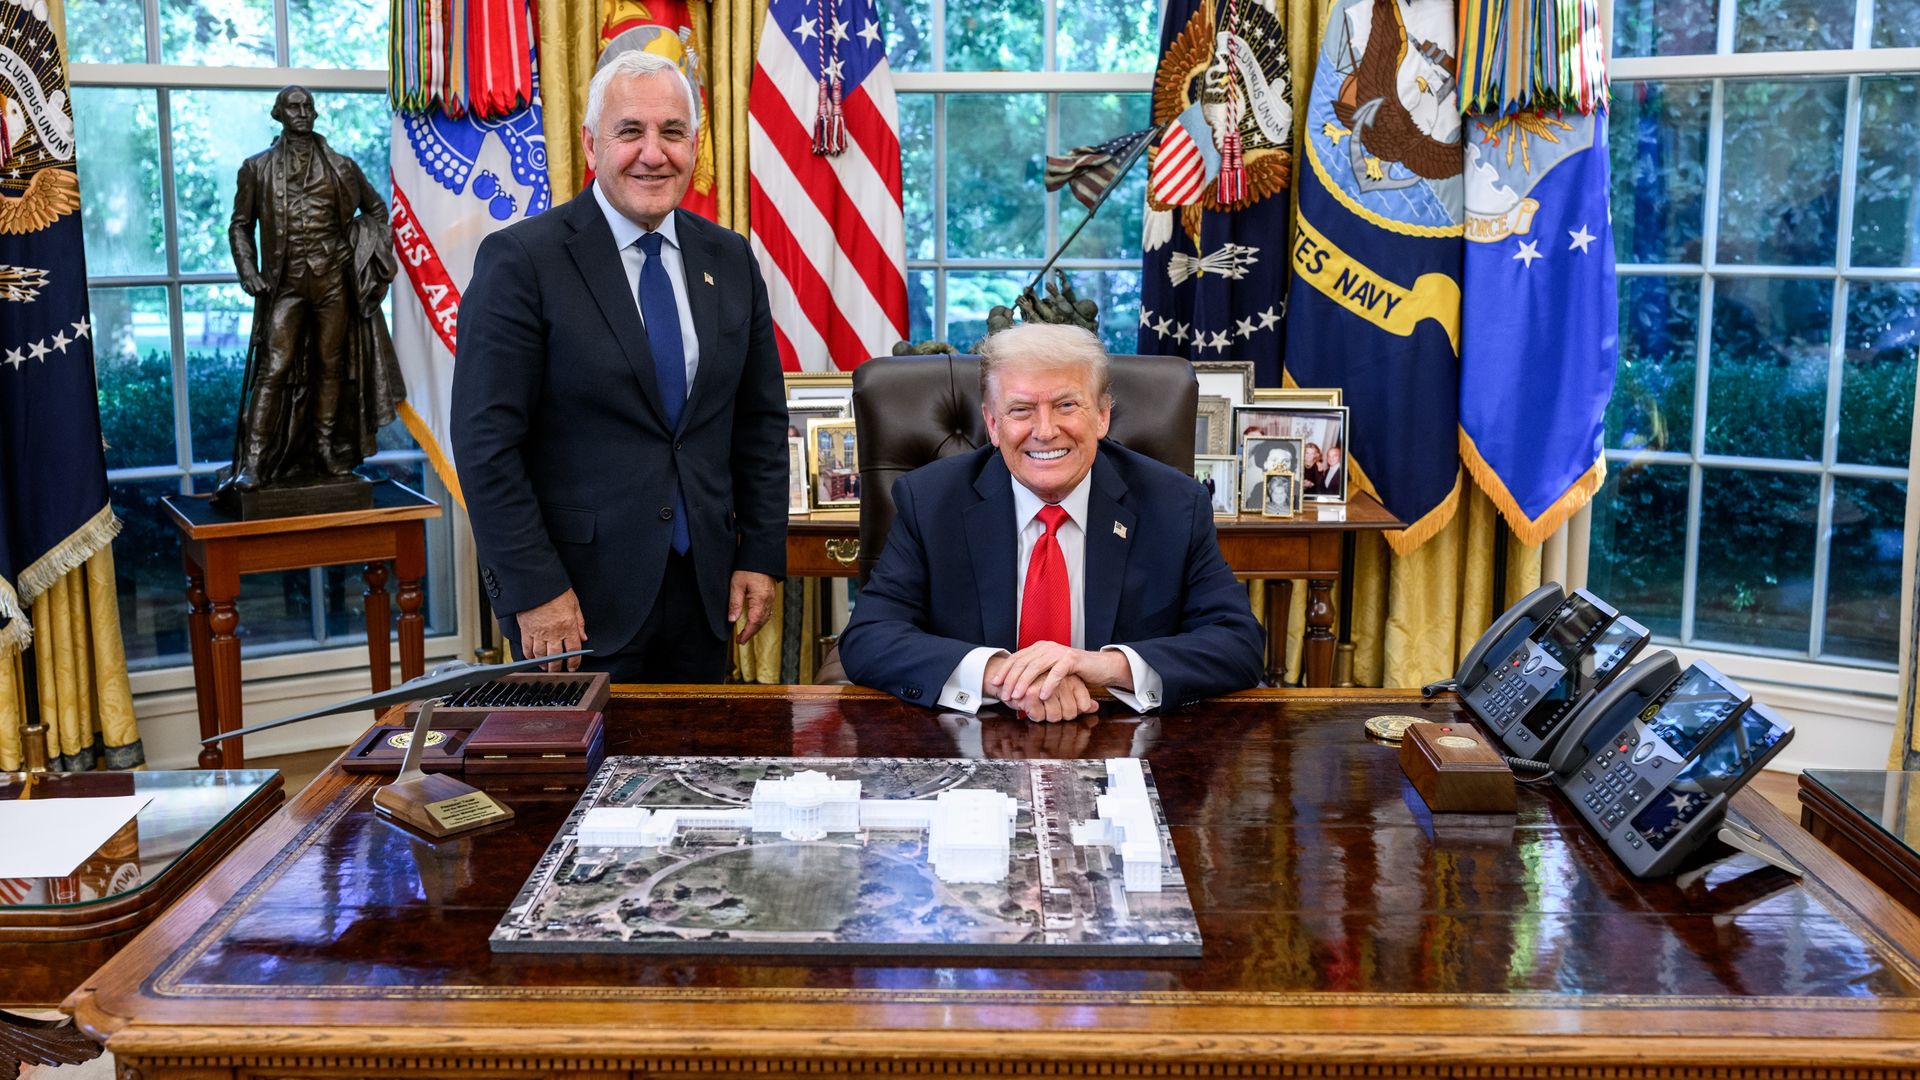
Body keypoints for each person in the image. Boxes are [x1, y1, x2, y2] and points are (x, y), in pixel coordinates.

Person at [452, 50, 786, 681]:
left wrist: (761, 553)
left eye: (673, 132)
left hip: (707, 593)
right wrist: (533, 590)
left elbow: (760, 421)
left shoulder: (731, 258)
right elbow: (485, 444)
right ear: (590, 142)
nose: (653, 153)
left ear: (695, 143)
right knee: (583, 781)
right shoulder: (523, 261)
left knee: (696, 776)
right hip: (576, 604)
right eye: (630, 131)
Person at [839, 323, 1264, 721]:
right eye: (1021, 409)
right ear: (992, 423)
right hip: (970, 744)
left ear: (1102, 416)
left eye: (1066, 405)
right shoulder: (931, 500)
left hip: (1121, 740)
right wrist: (1001, 675)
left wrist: (1105, 666)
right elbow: (869, 637)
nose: (1044, 431)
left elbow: (1238, 644)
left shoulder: (1174, 504)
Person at [222, 85, 404, 496]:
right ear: (279, 114)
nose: (303, 113)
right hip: (284, 284)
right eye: (294, 107)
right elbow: (239, 225)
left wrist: (357, 247)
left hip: (332, 282)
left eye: (308, 107)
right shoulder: (257, 168)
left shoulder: (342, 167)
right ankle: (252, 462)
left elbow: (377, 212)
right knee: (274, 368)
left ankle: (324, 450)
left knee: (331, 366)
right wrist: (248, 270)